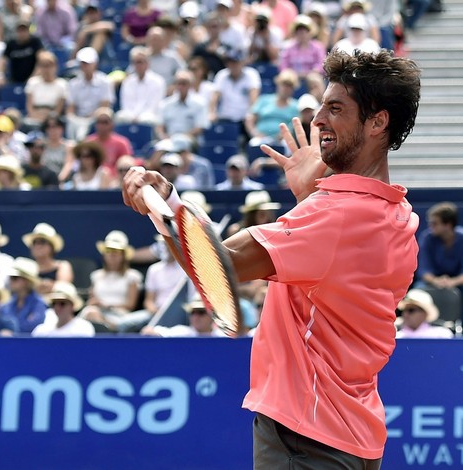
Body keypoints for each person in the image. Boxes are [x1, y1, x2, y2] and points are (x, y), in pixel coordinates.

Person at [123, 49, 422, 468]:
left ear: (377, 122)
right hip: (354, 436)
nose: (318, 121)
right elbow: (335, 282)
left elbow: (218, 268)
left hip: (305, 437)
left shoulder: (334, 216)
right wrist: (311, 196)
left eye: (335, 109)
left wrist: (164, 204)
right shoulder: (400, 219)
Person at [80, 230, 144, 333]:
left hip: (120, 316)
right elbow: (92, 299)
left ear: (123, 255)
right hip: (96, 312)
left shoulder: (133, 276)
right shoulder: (96, 276)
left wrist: (107, 305)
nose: (112, 255)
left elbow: (130, 305)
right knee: (90, 312)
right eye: (108, 250)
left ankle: (108, 330)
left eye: (117, 251)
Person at [416, 202, 463, 292]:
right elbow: (423, 269)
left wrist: (453, 282)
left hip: (459, 283)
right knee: (419, 289)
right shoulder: (427, 238)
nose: (430, 227)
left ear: (448, 225)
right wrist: (436, 281)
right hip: (432, 282)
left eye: (435, 223)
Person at [116, 46, 166, 125]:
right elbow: (125, 104)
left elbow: (155, 105)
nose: (138, 65)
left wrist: (140, 117)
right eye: (135, 62)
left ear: (147, 63)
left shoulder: (158, 81)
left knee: (149, 119)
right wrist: (132, 116)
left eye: (140, 62)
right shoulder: (128, 82)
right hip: (130, 116)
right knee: (120, 116)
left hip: (149, 116)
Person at [0, 257, 47, 333]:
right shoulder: (6, 305)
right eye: (10, 278)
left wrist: (10, 330)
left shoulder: (39, 304)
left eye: (14, 278)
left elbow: (32, 327)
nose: (11, 281)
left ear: (27, 281)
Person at [22, 223, 74, 295]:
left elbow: (64, 288)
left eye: (42, 242)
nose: (38, 246)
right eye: (34, 242)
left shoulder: (63, 266)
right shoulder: (26, 268)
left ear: (52, 247)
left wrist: (51, 286)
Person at [141, 295, 227, 337]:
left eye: (201, 312)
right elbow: (148, 331)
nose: (196, 317)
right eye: (192, 312)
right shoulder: (182, 332)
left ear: (212, 316)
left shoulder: (222, 336)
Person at [23, 51, 67, 127]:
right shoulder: (32, 82)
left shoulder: (62, 84)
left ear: (55, 66)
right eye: (43, 66)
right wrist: (35, 116)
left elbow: (59, 109)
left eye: (49, 66)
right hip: (34, 117)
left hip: (52, 119)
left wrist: (47, 119)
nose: (46, 69)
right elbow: (29, 106)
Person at [85, 108, 133, 176]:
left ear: (112, 124)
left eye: (105, 122)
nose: (102, 126)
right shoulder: (89, 143)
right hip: (92, 179)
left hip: (115, 179)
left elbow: (127, 163)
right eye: (99, 122)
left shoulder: (121, 143)